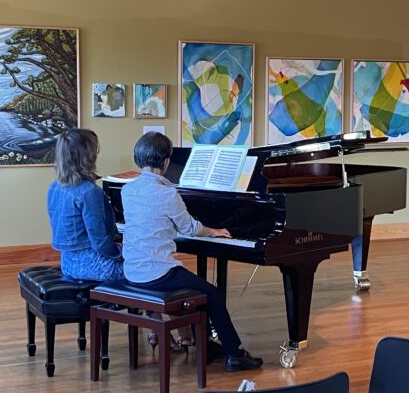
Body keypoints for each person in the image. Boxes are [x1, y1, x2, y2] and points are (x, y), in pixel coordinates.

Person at [120, 131, 263, 372]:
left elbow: (153, 222)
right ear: (166, 162)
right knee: (213, 294)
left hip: (132, 269)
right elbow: (189, 228)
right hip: (157, 274)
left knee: (199, 289)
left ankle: (206, 345)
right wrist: (215, 231)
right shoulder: (166, 193)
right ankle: (234, 354)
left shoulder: (128, 190)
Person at [47, 129, 124, 282]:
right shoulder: (89, 192)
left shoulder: (54, 187)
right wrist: (121, 253)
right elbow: (100, 243)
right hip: (94, 266)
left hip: (67, 262)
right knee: (146, 270)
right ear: (86, 156)